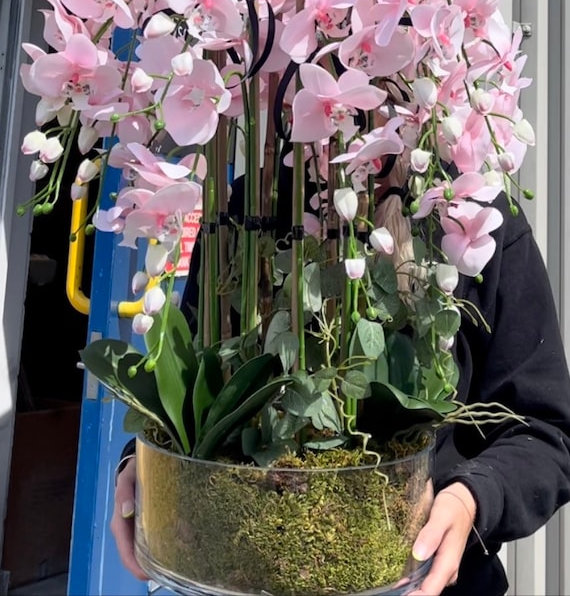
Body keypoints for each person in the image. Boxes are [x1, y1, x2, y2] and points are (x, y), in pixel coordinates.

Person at [111, 166, 570, 596]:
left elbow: (546, 430)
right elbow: (193, 383)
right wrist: (148, 465)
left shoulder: (476, 207)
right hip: (245, 569)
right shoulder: (249, 204)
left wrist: (473, 497)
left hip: (421, 579)